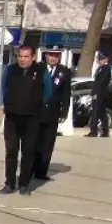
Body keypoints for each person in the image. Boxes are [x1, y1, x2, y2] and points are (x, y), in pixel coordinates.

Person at [0, 45, 46, 194]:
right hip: (12, 116)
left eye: (26, 56)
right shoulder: (10, 70)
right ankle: (9, 183)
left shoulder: (41, 71)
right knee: (11, 150)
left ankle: (24, 184)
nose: (22, 59)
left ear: (33, 57)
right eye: (20, 56)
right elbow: (4, 88)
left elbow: (48, 91)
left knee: (28, 151)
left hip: (32, 117)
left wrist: (36, 104)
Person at [34, 46, 72, 181]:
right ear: (46, 56)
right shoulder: (38, 69)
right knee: (34, 142)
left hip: (53, 113)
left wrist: (64, 111)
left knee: (48, 143)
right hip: (36, 112)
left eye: (56, 55)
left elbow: (66, 92)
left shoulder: (65, 71)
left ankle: (41, 172)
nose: (53, 58)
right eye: (51, 55)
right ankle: (31, 169)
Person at [87, 51, 111, 137]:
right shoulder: (100, 68)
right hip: (99, 93)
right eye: (99, 59)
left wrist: (96, 93)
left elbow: (101, 82)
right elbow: (96, 82)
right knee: (101, 113)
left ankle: (94, 131)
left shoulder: (106, 68)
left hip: (101, 94)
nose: (99, 61)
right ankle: (105, 131)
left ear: (106, 60)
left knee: (96, 113)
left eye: (102, 59)